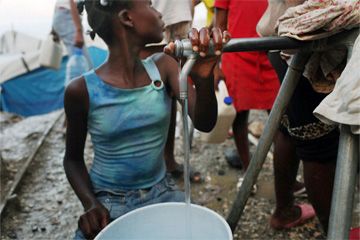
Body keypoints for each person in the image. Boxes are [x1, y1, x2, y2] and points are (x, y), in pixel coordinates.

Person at [63, 0, 228, 239]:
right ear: (127, 18)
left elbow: (204, 123)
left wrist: (203, 79)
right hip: (108, 201)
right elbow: (72, 160)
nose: (159, 14)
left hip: (163, 191)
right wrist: (90, 204)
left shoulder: (164, 66)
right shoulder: (81, 90)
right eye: (150, 5)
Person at [214, 0, 280, 170]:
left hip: (272, 54)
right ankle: (247, 168)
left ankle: (285, 178)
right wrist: (215, 65)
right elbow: (219, 26)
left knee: (280, 119)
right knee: (239, 114)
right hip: (238, 55)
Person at [141, 0, 203, 183]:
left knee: (171, 92)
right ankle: (149, 166)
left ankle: (168, 160)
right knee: (148, 92)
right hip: (152, 19)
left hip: (179, 16)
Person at [51, 0, 93, 68]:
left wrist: (54, 29)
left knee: (76, 58)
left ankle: (81, 76)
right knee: (83, 63)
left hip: (61, 16)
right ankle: (85, 77)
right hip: (67, 15)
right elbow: (71, 2)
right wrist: (79, 30)